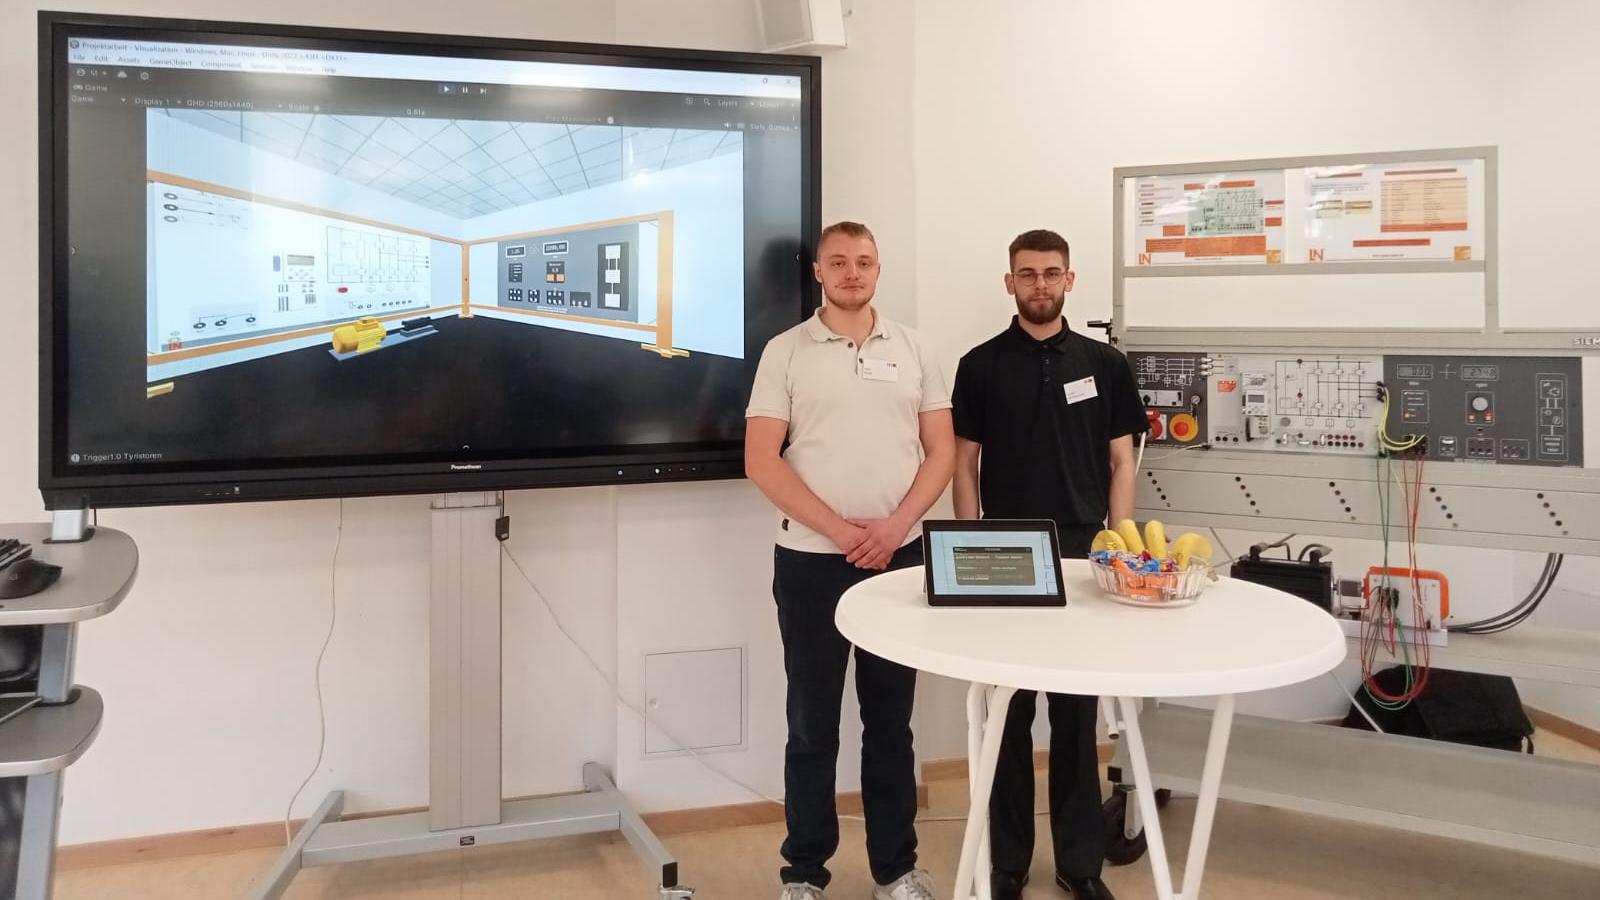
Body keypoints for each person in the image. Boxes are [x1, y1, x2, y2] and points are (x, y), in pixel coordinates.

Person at [745, 221, 955, 900]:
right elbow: (760, 459)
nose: (852, 272)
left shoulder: (915, 348)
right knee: (811, 725)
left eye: (864, 261)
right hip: (811, 562)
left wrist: (894, 529)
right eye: (838, 262)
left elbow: (942, 452)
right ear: (818, 272)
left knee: (890, 723)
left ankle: (896, 870)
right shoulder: (785, 352)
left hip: (899, 560)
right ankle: (804, 873)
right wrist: (841, 531)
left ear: (878, 268)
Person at [950, 229, 1149, 900]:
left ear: (1070, 279)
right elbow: (965, 464)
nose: (1041, 284)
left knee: (1075, 717)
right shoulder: (979, 366)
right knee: (1005, 719)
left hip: (1085, 552)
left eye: (1052, 273)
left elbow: (1122, 462)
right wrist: (968, 547)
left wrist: (1118, 547)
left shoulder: (1106, 364)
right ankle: (1007, 864)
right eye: (1028, 274)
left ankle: (1080, 865)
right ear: (1009, 282)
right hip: (1004, 554)